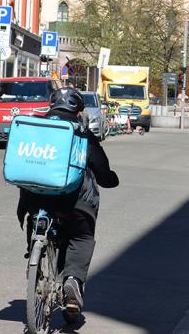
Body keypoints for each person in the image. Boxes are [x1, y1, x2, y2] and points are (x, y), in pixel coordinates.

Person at [16, 87, 120, 318]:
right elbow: (101, 168)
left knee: (35, 216)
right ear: (78, 110)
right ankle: (72, 279)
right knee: (81, 236)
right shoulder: (83, 134)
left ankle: (34, 250)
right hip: (75, 201)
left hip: (34, 198)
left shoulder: (36, 128)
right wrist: (109, 179)